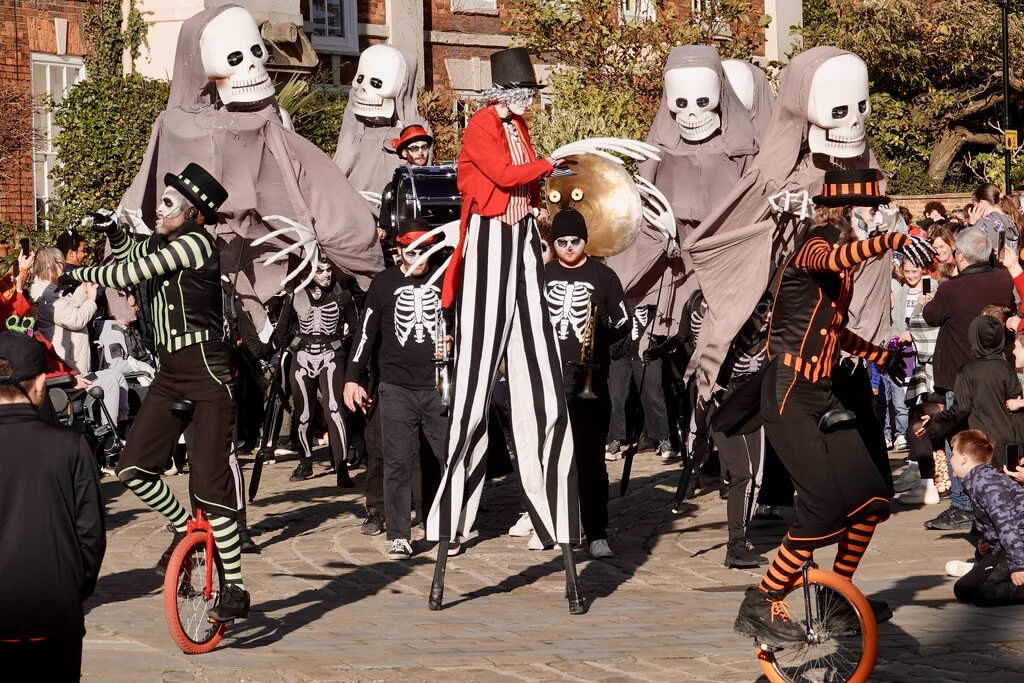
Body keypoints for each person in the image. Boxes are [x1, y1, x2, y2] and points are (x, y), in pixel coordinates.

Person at [733, 169, 934, 646]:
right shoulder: (814, 243)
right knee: (822, 510)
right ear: (848, 211)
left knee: (871, 499)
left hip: (821, 392)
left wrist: (879, 355)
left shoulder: (837, 268)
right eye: (871, 209)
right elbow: (838, 255)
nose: (876, 215)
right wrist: (887, 241)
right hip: (787, 391)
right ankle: (762, 599)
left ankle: (836, 596)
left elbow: (832, 330)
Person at [60, 163, 250, 622]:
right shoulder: (168, 238)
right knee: (131, 469)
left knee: (208, 482)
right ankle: (187, 528)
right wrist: (112, 231)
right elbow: (133, 250)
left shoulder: (194, 243)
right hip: (169, 372)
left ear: (193, 212)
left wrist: (74, 271)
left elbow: (137, 270)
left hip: (206, 371)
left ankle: (237, 588)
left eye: (168, 204)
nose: (159, 210)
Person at [428, 47, 577, 553]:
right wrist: (547, 165)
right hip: (491, 238)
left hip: (521, 242)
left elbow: (524, 183)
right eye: (528, 94)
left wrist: (539, 199)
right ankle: (454, 512)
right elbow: (502, 175)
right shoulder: (482, 125)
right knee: (474, 384)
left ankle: (547, 508)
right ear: (510, 94)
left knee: (538, 378)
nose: (532, 103)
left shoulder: (516, 126)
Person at [0, 332, 105, 681]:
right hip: (54, 611)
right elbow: (91, 534)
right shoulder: (71, 447)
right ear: (42, 384)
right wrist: (71, 589)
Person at [344, 218, 449, 560]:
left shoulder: (448, 280)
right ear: (398, 250)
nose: (420, 258)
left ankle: (444, 524)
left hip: (437, 385)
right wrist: (352, 378)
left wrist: (454, 340)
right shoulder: (383, 284)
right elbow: (365, 334)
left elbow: (465, 324)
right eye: (413, 251)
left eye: (426, 251)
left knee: (446, 457)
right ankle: (400, 533)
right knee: (397, 462)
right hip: (395, 388)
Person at [541, 209, 630, 558]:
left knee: (590, 458)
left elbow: (624, 321)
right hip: (549, 378)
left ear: (585, 241)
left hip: (590, 380)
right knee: (551, 457)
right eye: (561, 242)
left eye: (574, 241)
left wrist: (605, 326)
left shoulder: (603, 276)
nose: (568, 248)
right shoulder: (542, 274)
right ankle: (559, 522)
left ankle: (597, 531)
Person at [921, 226, 1015, 531]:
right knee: (992, 432)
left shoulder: (951, 289)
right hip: (997, 370)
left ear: (959, 255)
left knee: (959, 438)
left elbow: (931, 315)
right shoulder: (1002, 277)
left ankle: (962, 503)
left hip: (958, 373)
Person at [276, 257, 358, 485]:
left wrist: (342, 347)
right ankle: (305, 462)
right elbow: (282, 329)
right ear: (308, 272)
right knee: (303, 413)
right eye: (319, 270)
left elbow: (356, 328)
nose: (326, 275)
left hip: (331, 356)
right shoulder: (295, 295)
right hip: (301, 357)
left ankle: (341, 467)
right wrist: (290, 346)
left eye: (329, 270)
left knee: (334, 409)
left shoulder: (342, 295)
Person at [918, 315, 1021, 472]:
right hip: (1008, 442)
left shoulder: (968, 370)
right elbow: (1017, 405)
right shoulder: (1007, 369)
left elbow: (961, 408)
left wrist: (935, 421)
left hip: (980, 445)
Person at [948, 429, 1024, 606]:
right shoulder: (978, 480)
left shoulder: (985, 483)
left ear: (964, 457)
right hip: (1007, 546)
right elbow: (991, 526)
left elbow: (1007, 525)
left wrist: (1019, 566)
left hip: (1018, 546)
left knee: (984, 593)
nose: (950, 460)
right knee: (963, 590)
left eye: (953, 454)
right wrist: (987, 545)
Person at [378, 125, 434, 249]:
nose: (421, 152)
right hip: (406, 249)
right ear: (404, 152)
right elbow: (387, 227)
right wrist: (383, 232)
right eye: (414, 148)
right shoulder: (393, 187)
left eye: (424, 147)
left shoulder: (437, 182)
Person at [968, 182, 1024, 255]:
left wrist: (972, 225)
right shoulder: (1013, 218)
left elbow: (966, 249)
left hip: (992, 266)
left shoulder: (984, 223)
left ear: (981, 203)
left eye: (975, 206)